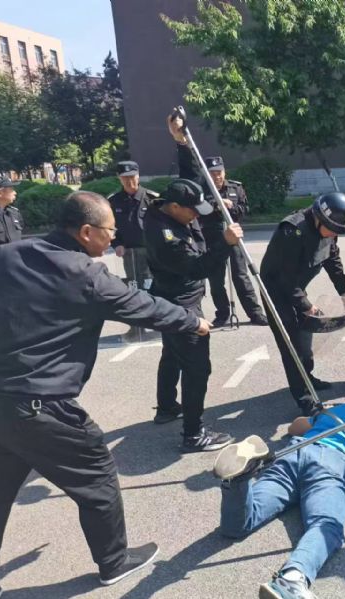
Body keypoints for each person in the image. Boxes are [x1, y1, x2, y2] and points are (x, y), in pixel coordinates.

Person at [0, 192, 212, 596]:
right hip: (43, 407)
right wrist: (193, 322)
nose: (113, 238)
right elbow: (144, 306)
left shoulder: (4, 257)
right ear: (87, 232)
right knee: (98, 474)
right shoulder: (85, 275)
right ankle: (114, 562)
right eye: (110, 231)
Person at [213, 378, 345, 599]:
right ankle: (292, 578)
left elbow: (294, 427)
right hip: (332, 462)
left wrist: (321, 414)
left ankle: (238, 483)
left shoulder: (337, 410)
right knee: (327, 525)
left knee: (241, 523)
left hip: (296, 451)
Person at [143, 178, 241, 451]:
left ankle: (166, 407)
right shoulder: (167, 238)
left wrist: (182, 143)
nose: (197, 216)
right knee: (197, 367)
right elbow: (198, 268)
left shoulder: (163, 209)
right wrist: (225, 243)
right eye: (193, 211)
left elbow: (189, 177)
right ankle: (194, 434)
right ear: (174, 207)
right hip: (180, 304)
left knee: (172, 354)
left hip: (170, 296)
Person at [168, 114, 269, 327]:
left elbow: (243, 209)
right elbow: (201, 211)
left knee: (241, 276)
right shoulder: (203, 191)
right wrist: (216, 203)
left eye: (219, 172)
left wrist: (232, 208)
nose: (217, 176)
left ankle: (255, 313)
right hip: (213, 237)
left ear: (224, 171)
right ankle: (222, 313)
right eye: (213, 173)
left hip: (234, 235)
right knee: (216, 279)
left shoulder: (235, 188)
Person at [260, 191, 345, 416]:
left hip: (297, 287)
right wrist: (306, 306)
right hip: (276, 291)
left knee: (305, 339)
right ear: (319, 219)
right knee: (292, 346)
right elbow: (285, 278)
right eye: (332, 230)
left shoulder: (329, 229)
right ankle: (305, 401)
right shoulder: (292, 231)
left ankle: (307, 377)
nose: (334, 235)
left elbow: (333, 259)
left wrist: (344, 293)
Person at [108, 161, 160, 340]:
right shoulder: (113, 201)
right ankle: (136, 327)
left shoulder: (152, 198)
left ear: (138, 176)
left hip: (151, 253)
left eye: (132, 177)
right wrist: (117, 244)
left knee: (153, 287)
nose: (129, 181)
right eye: (125, 178)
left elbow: (161, 225)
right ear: (119, 178)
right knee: (133, 289)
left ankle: (157, 323)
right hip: (129, 253)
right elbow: (110, 227)